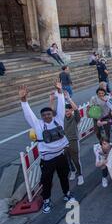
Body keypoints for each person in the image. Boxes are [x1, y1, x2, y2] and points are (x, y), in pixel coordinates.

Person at [19, 81, 76, 214]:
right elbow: (28, 114)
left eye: (48, 114)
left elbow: (61, 105)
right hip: (48, 159)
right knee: (47, 181)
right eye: (44, 115)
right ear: (41, 117)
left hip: (61, 156)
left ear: (52, 114)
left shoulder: (59, 120)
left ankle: (67, 194)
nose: (46, 116)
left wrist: (60, 92)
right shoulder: (38, 125)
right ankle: (46, 200)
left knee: (64, 177)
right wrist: (23, 100)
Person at [63, 95, 84, 186]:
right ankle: (72, 171)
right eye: (64, 111)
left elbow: (76, 110)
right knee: (67, 159)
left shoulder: (75, 118)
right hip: (63, 142)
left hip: (73, 140)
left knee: (75, 159)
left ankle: (80, 175)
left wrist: (69, 99)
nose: (66, 113)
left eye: (67, 111)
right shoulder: (61, 118)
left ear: (70, 110)